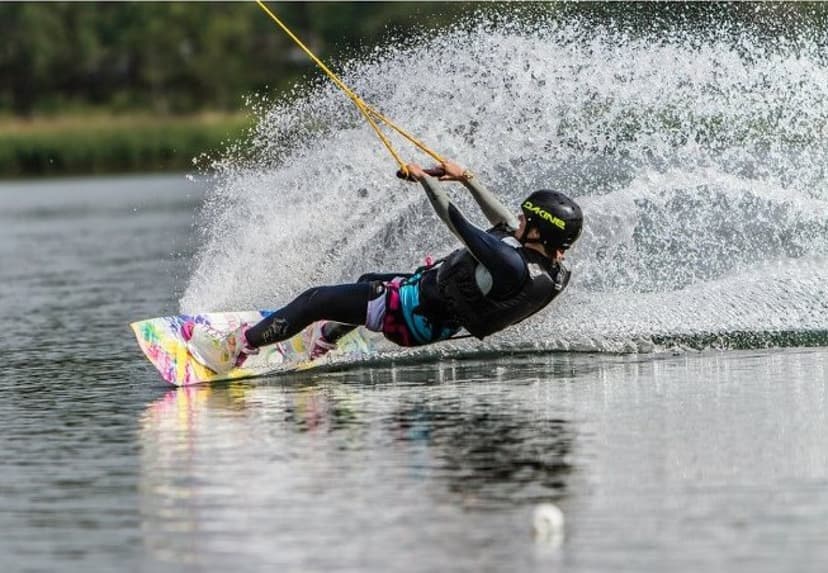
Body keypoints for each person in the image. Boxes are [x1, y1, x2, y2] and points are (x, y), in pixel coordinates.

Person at [184, 160, 583, 374]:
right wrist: (466, 177)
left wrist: (425, 179)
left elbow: (454, 221)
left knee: (314, 299)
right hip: (432, 316)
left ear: (539, 231)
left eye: (527, 218)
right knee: (368, 282)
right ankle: (325, 339)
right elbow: (505, 225)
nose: (519, 220)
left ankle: (238, 347)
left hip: (409, 314)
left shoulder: (510, 264)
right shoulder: (546, 266)